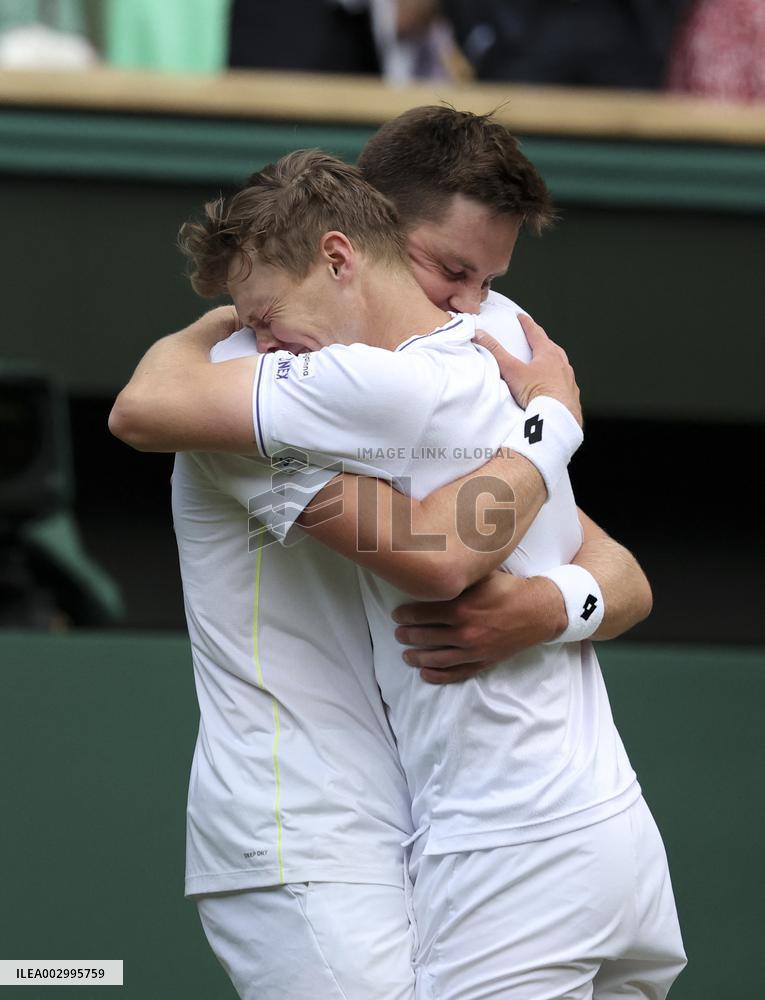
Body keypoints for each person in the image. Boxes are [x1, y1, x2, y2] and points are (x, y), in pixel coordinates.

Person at [109, 117, 659, 999]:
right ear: (357, 244)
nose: (469, 305)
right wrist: (552, 423)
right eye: (449, 270)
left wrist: (548, 607)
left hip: (414, 826)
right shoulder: (279, 375)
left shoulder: (471, 350)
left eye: (488, 281)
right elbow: (438, 554)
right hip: (296, 827)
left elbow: (619, 573)